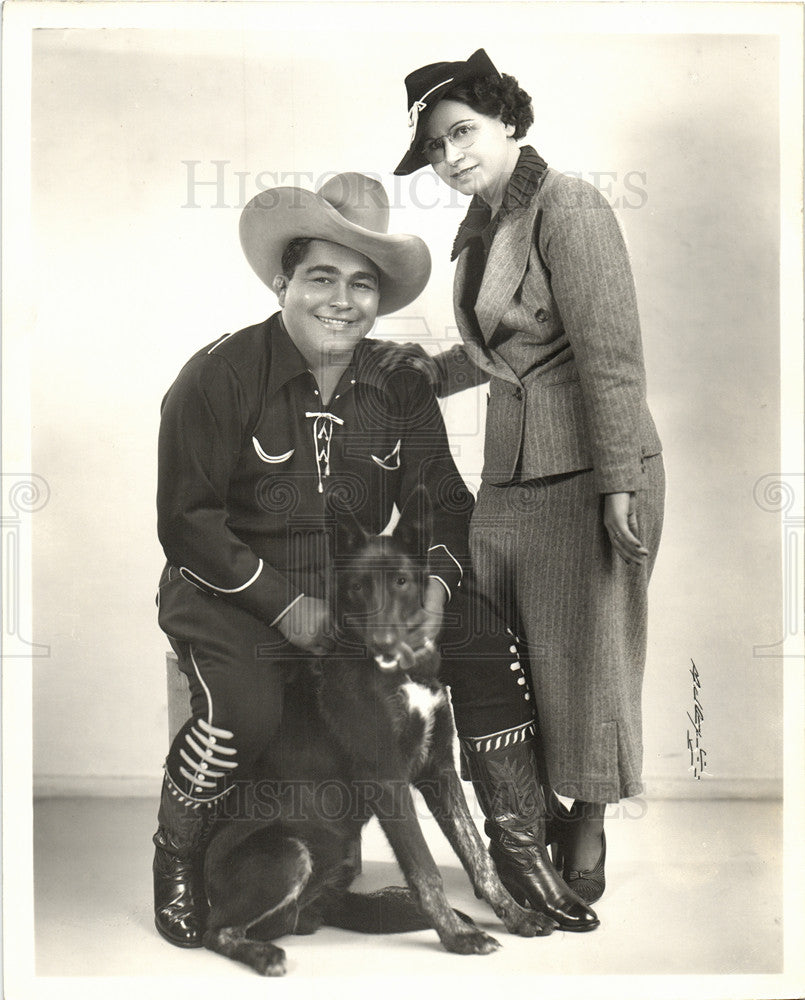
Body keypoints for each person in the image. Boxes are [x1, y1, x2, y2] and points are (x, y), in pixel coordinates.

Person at [152, 171, 598, 951]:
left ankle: (516, 847)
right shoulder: (218, 375)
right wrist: (285, 607)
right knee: (248, 708)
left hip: (358, 597)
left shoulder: (395, 383)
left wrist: (433, 587)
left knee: (477, 633)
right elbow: (187, 522)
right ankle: (180, 856)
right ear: (282, 281)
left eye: (362, 284)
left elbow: (448, 505)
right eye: (321, 277)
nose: (342, 299)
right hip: (229, 589)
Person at [390, 48, 665, 907]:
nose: (450, 156)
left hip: (589, 470)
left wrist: (619, 479)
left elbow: (609, 353)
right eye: (434, 147)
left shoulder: (567, 203)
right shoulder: (477, 228)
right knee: (517, 658)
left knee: (586, 659)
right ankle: (530, 812)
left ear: (506, 118)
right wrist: (430, 372)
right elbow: (506, 349)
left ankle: (585, 819)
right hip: (508, 482)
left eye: (461, 131)